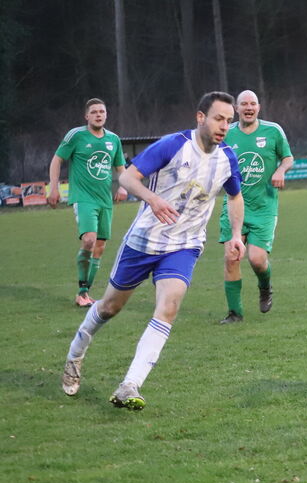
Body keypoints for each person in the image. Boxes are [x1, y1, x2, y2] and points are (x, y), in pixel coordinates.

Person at [60, 92, 245, 409]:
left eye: (229, 120)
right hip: (144, 241)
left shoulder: (227, 158)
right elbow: (128, 177)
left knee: (168, 308)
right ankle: (75, 354)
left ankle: (129, 385)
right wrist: (153, 199)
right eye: (218, 118)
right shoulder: (172, 145)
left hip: (184, 245)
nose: (225, 126)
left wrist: (236, 234)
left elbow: (235, 197)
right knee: (109, 308)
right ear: (200, 117)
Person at [217, 90, 294, 323]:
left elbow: (288, 158)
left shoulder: (273, 130)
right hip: (233, 204)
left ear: (258, 107)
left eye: (252, 104)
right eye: (244, 104)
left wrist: (280, 170)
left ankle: (265, 286)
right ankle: (235, 313)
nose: (248, 108)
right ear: (236, 109)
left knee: (257, 259)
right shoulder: (226, 134)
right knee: (232, 258)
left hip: (264, 207)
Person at [47, 99, 128, 307]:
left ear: (107, 115)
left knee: (100, 247)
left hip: (105, 200)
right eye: (94, 112)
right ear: (87, 116)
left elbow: (120, 168)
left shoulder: (114, 139)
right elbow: (57, 160)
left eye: (102, 111)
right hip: (83, 198)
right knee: (89, 240)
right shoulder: (76, 136)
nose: (98, 115)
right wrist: (53, 187)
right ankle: (83, 293)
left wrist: (123, 186)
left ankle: (84, 293)